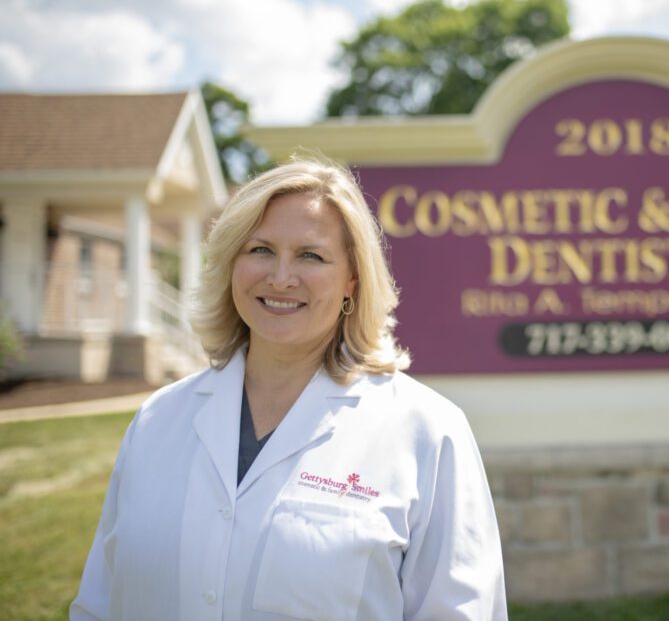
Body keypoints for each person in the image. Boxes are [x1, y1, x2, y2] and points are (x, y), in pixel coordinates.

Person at [70, 159, 507, 621]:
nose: (280, 277)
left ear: (351, 283)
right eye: (259, 250)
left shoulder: (425, 430)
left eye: (310, 256)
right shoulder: (158, 420)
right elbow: (100, 603)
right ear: (230, 264)